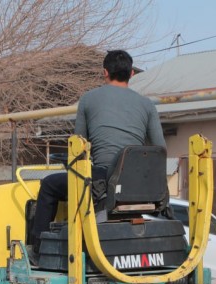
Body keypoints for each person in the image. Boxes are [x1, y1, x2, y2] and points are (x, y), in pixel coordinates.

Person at [29, 49, 166, 262]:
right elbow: (160, 149)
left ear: (104, 72)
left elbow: (79, 145)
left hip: (101, 180)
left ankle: (38, 250)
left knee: (48, 185)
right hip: (139, 185)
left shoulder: (88, 100)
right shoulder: (147, 105)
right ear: (131, 74)